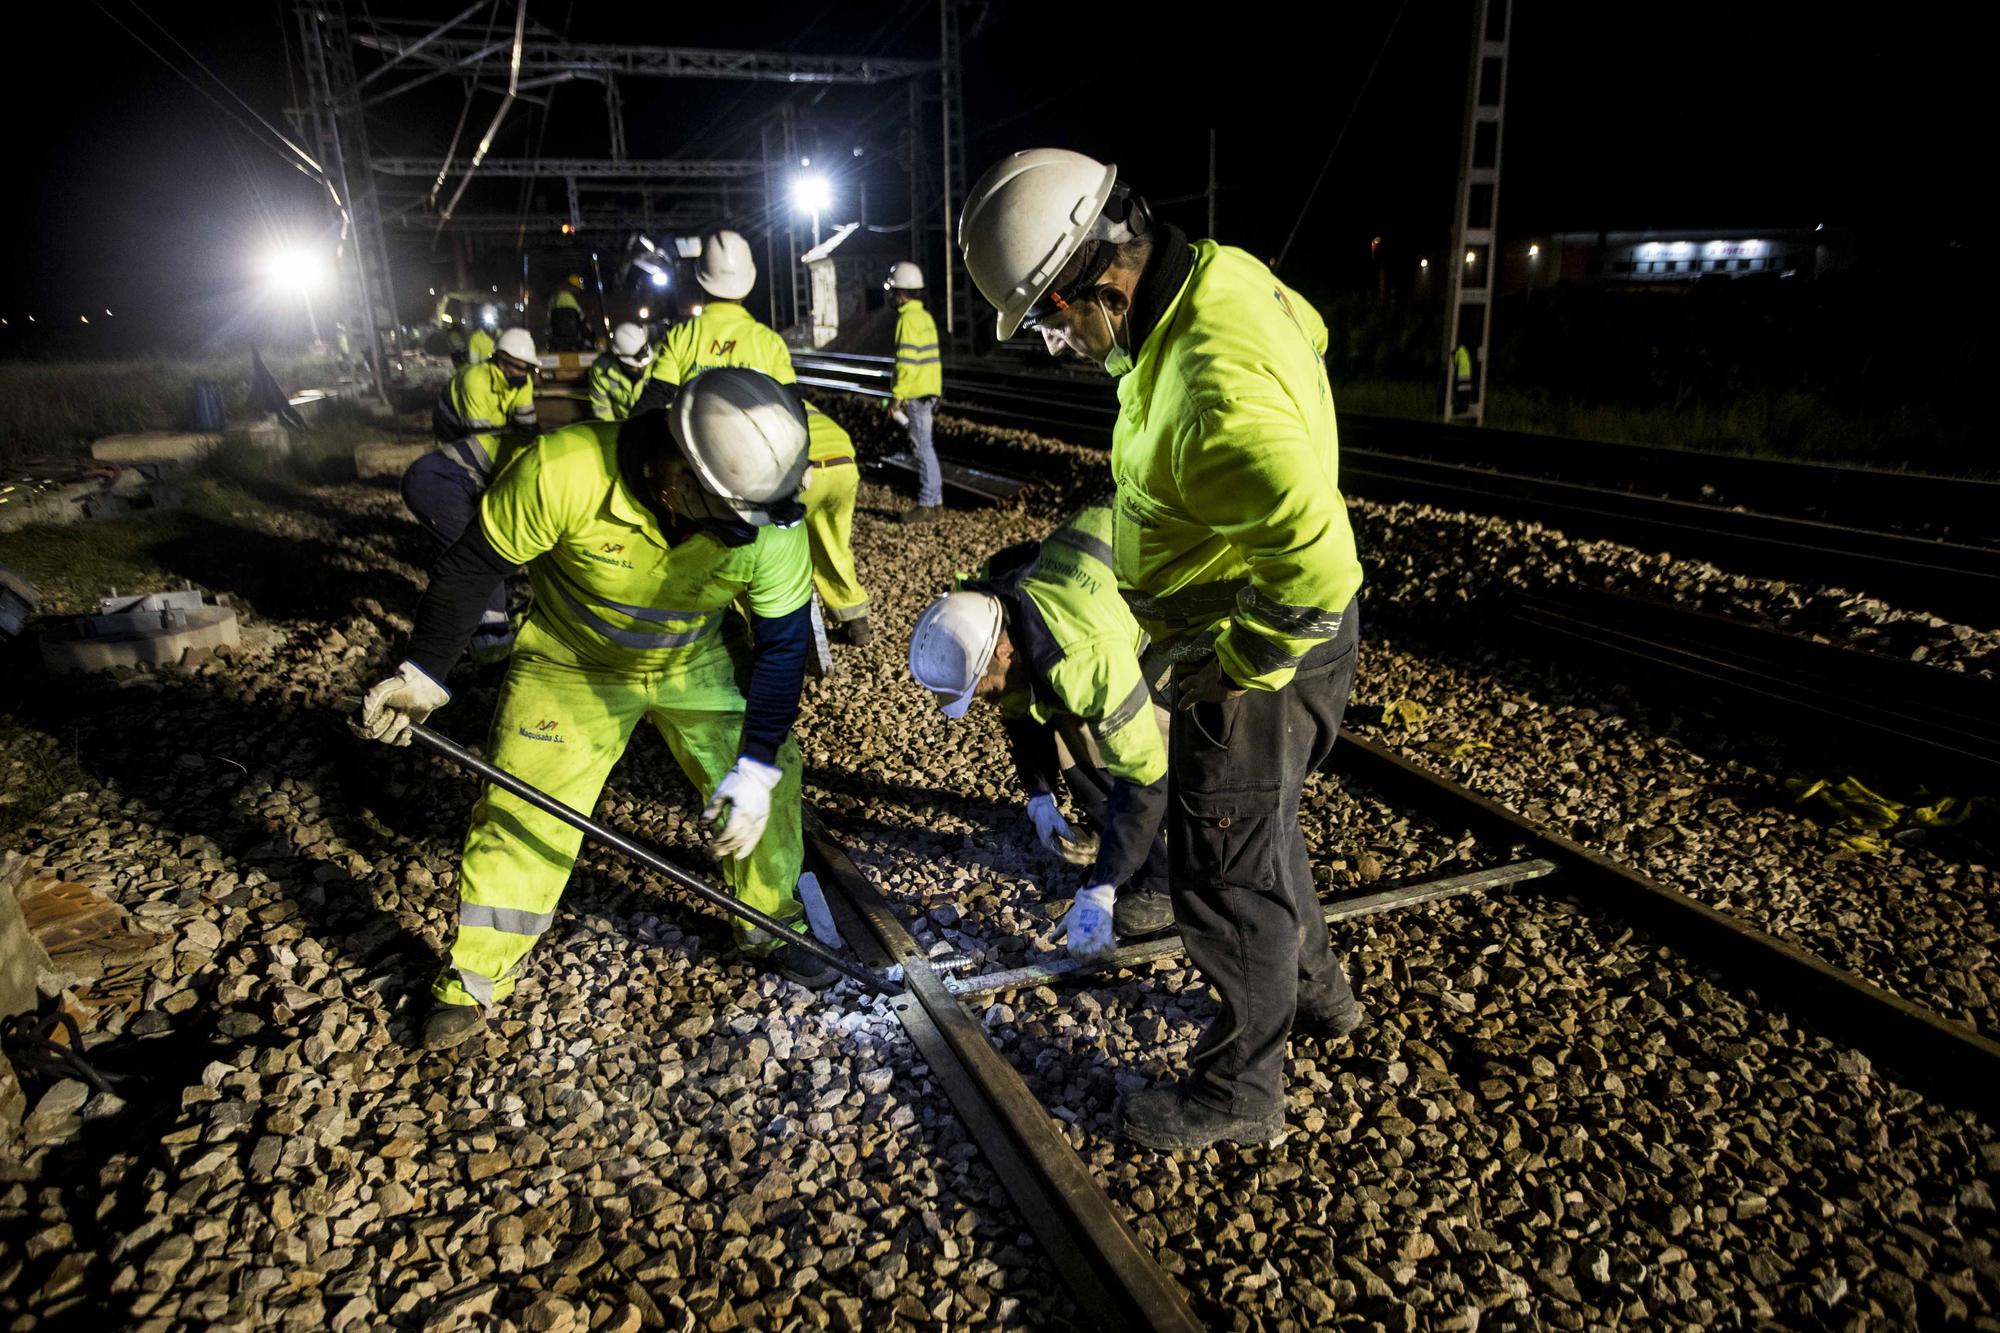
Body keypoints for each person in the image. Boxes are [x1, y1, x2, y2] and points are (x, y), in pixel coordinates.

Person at [961, 148, 1367, 1151]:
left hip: (1253, 649)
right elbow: (1307, 334)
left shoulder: (1213, 388)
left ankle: (1239, 1091)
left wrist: (1240, 663)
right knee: (1257, 836)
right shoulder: (1219, 278)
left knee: (1220, 875)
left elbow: (1316, 565)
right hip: (1241, 625)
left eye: (1056, 319)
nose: (1060, 339)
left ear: (1100, 280)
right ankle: (1320, 997)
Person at [355, 368, 833, 1050]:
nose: (745, 535)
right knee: (522, 804)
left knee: (774, 776)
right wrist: (423, 672)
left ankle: (770, 923)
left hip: (694, 659)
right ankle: (475, 976)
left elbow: (782, 646)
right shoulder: (563, 470)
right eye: (733, 522)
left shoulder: (767, 520)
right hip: (571, 665)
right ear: (680, 478)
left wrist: (754, 767)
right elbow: (471, 566)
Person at [908, 506, 1173, 949]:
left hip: (1170, 602)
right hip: (1114, 573)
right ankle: (1123, 840)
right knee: (1061, 719)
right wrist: (1039, 794)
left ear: (1005, 650)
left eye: (982, 687)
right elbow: (1017, 705)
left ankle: (1165, 882)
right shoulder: (993, 598)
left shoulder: (1081, 657)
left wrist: (1102, 887)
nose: (983, 700)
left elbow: (1144, 775)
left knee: (1135, 745)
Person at [632, 231, 872, 646]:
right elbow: (796, 412)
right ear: (750, 281)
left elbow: (649, 410)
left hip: (711, 477)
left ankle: (744, 637)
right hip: (771, 470)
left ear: (701, 279)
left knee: (730, 557)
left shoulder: (682, 338)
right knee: (801, 546)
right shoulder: (767, 341)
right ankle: (839, 618)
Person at [404, 327, 540, 662]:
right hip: (442, 473)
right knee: (481, 553)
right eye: (517, 367)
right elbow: (478, 436)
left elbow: (527, 427)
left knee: (490, 548)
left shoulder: (523, 389)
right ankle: (487, 645)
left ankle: (492, 624)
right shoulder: (474, 381)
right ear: (500, 361)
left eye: (528, 369)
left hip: (463, 469)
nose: (523, 375)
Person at [801, 402, 871, 646]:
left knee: (776, 546)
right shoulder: (793, 397)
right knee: (834, 543)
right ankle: (856, 621)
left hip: (805, 469)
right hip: (843, 465)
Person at [885, 262, 944, 524]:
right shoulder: (925, 317)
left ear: (900, 293)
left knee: (922, 449)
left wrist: (897, 396)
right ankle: (936, 502)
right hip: (929, 389)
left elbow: (906, 363)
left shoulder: (906, 320)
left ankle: (926, 505)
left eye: (893, 291)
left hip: (916, 393)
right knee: (927, 447)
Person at [588, 322, 655, 421]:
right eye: (634, 366)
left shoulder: (661, 362)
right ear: (619, 357)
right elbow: (601, 407)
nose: (641, 369)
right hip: (622, 423)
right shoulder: (601, 370)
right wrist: (612, 430)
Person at [549, 274, 588, 352]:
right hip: (573, 342)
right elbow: (581, 318)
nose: (578, 292)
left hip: (557, 343)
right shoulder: (570, 299)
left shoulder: (555, 297)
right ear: (573, 287)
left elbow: (549, 317)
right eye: (578, 289)